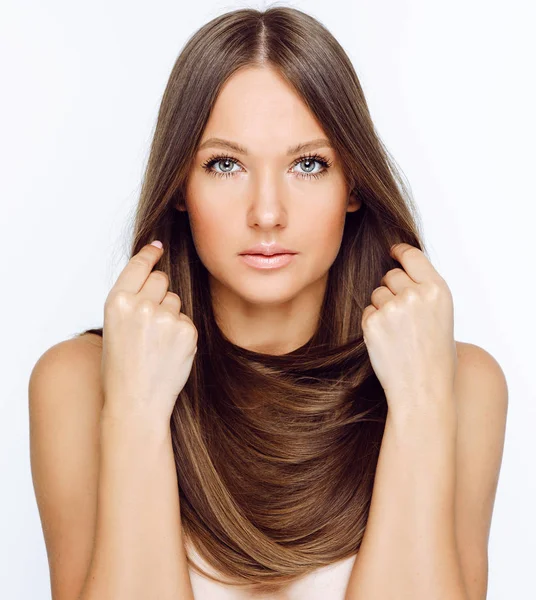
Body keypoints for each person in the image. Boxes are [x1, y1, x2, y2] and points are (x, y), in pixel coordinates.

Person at [28, 6, 508, 600]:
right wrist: (135, 411)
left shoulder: (463, 385)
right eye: (225, 164)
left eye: (308, 164)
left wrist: (420, 405)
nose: (267, 213)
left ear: (352, 184)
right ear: (180, 185)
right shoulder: (76, 383)